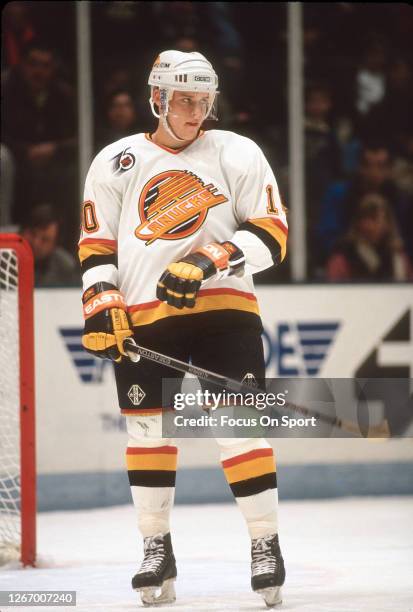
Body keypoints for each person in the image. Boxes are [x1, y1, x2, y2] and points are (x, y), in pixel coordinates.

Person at [78, 50, 288, 607]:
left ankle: (266, 545)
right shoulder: (116, 161)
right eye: (186, 101)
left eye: (204, 101)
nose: (197, 112)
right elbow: (97, 246)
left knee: (237, 430)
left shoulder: (236, 152)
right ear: (158, 100)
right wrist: (101, 300)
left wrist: (211, 258)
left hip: (226, 312)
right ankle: (156, 548)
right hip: (146, 320)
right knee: (148, 434)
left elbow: (272, 233)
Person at [326, 193, 412, 282]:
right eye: (368, 218)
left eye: (381, 219)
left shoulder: (399, 259)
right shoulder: (342, 258)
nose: (370, 225)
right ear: (358, 223)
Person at [21, 204, 79, 287]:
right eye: (32, 234)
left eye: (45, 240)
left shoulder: (65, 268)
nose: (35, 243)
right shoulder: (4, 251)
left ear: (54, 245)